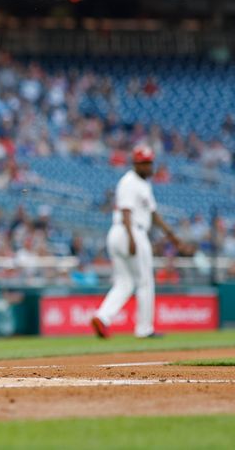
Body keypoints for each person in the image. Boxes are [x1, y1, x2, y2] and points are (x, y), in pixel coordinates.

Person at [91, 145, 182, 339]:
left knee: (124, 283)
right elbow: (126, 210)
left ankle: (102, 317)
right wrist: (132, 238)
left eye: (150, 162)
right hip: (130, 231)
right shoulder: (129, 182)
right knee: (145, 282)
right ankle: (144, 329)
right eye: (144, 163)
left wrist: (171, 235)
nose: (148, 166)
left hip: (122, 233)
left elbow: (153, 214)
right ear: (135, 164)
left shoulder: (143, 184)